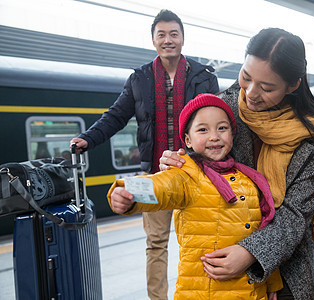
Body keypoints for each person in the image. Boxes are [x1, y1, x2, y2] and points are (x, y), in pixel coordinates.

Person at [160, 28, 314, 300]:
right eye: (246, 77)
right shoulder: (222, 109)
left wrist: (251, 253)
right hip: (224, 268)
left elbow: (296, 214)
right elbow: (202, 166)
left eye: (267, 87)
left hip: (289, 273)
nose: (250, 93)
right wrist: (179, 162)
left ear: (293, 85)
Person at [70, 9, 219, 299]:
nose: (168, 40)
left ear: (183, 39)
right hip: (155, 174)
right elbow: (116, 116)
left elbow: (217, 119)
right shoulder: (139, 79)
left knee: (203, 240)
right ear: (153, 40)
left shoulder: (203, 78)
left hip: (198, 173)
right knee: (156, 244)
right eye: (161, 34)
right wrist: (89, 138)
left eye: (173, 34)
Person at [108, 93, 282, 299]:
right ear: (188, 141)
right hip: (203, 292)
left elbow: (262, 233)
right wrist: (129, 193)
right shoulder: (186, 175)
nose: (214, 136)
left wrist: (272, 281)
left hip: (252, 292)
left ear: (232, 135)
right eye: (203, 130)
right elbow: (163, 186)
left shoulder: (249, 179)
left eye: (222, 128)